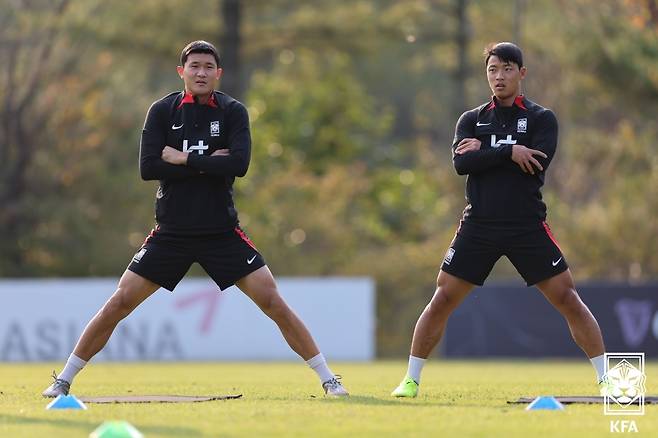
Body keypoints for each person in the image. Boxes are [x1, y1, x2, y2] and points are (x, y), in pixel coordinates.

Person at [43, 40, 348, 398]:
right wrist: (208, 165)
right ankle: (63, 380)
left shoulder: (233, 112)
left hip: (221, 232)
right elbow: (149, 168)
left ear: (218, 73)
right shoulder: (162, 111)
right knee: (119, 302)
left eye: (208, 67)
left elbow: (238, 165)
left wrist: (183, 160)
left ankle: (328, 379)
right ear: (181, 72)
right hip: (171, 232)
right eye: (194, 66)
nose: (201, 73)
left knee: (272, 301)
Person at [391, 42, 607, 398]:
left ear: (521, 73)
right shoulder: (471, 119)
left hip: (526, 224)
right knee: (442, 298)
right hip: (479, 225)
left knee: (568, 298)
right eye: (492, 70)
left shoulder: (541, 118)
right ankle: (410, 380)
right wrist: (509, 151)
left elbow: (536, 163)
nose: (499, 76)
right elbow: (462, 165)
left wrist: (486, 152)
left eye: (507, 69)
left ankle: (606, 379)